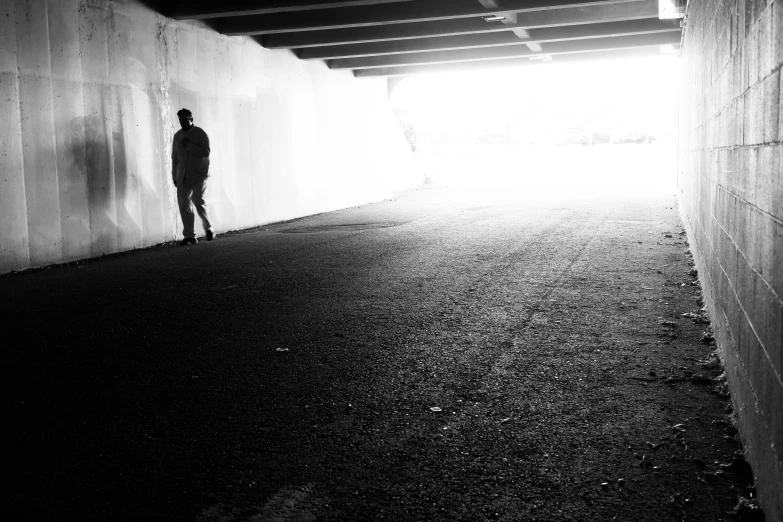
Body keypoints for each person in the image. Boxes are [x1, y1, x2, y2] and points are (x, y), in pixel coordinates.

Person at [172, 108, 214, 245]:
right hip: (183, 176)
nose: (182, 122)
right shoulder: (177, 136)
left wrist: (189, 145)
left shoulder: (200, 134)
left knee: (198, 201)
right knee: (184, 205)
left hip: (198, 174)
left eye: (184, 119)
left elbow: (206, 152)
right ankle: (189, 236)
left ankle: (209, 228)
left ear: (191, 119)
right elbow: (175, 158)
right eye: (180, 120)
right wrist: (174, 175)